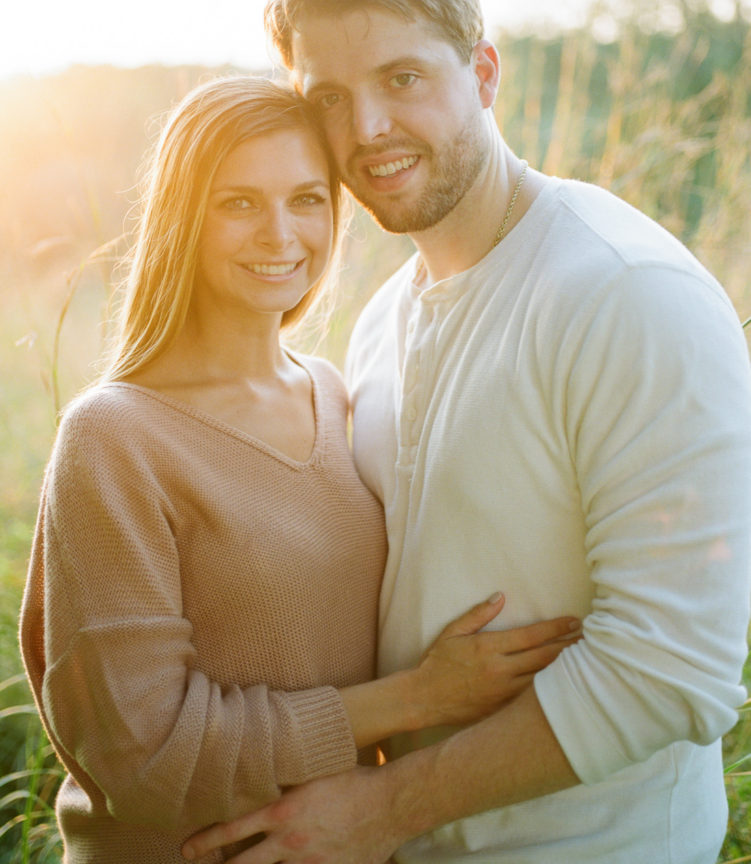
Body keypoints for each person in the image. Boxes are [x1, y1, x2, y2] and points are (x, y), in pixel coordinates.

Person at [181, 0, 751, 864]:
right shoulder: (378, 322)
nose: (365, 128)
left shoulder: (624, 291)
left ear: (483, 71)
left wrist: (379, 809)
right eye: (328, 96)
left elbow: (671, 672)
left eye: (402, 78)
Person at [18, 75, 580, 863]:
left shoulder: (334, 392)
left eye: (307, 199)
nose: (280, 234)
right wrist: (414, 698)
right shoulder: (115, 437)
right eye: (238, 203)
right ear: (183, 220)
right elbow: (142, 756)